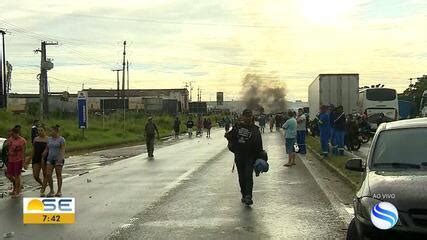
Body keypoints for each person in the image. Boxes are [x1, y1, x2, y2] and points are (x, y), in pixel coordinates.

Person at [225, 109, 263, 206]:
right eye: (246, 116)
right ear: (242, 116)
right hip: (239, 156)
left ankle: (248, 196)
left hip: (250, 157)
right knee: (242, 177)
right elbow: (229, 136)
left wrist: (260, 158)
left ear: (251, 117)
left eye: (249, 116)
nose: (248, 118)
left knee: (248, 176)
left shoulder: (255, 129)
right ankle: (244, 194)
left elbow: (259, 145)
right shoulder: (237, 127)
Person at [43, 125, 65, 197]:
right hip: (50, 158)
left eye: (51, 131)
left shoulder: (61, 139)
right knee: (48, 174)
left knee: (58, 175)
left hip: (58, 159)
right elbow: (47, 148)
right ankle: (51, 190)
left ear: (56, 131)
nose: (50, 132)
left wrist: (61, 157)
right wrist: (44, 153)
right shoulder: (49, 139)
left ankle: (59, 191)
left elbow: (62, 149)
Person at [6, 126, 27, 197]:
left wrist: (24, 162)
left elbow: (24, 152)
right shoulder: (10, 139)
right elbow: (9, 148)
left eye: (15, 134)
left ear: (18, 133)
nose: (14, 135)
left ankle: (17, 191)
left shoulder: (22, 141)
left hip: (18, 160)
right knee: (9, 175)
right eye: (13, 134)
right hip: (10, 159)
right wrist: (8, 153)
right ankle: (16, 187)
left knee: (17, 175)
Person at [29, 126, 48, 196]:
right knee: (35, 175)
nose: (39, 132)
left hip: (45, 158)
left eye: (41, 130)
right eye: (38, 131)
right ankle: (43, 184)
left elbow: (49, 149)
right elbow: (33, 150)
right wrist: (29, 159)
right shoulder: (35, 139)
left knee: (45, 174)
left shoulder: (48, 139)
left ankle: (43, 189)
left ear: (45, 131)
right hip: (36, 158)